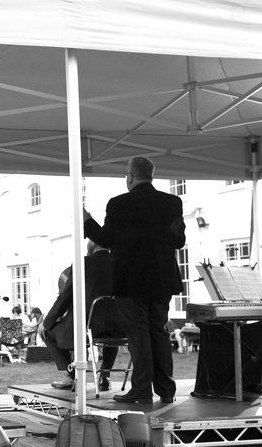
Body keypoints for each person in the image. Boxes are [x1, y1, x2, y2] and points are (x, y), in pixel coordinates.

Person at [84, 155, 186, 404]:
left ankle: (141, 389)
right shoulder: (172, 202)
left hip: (130, 281)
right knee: (158, 332)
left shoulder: (119, 204)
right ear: (151, 175)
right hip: (161, 281)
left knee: (138, 334)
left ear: (130, 177)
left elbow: (105, 239)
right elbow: (178, 241)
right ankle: (166, 389)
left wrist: (86, 220)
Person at [40, 241, 123, 391]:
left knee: (47, 333)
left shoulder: (83, 263)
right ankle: (105, 376)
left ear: (93, 243)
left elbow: (65, 297)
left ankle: (72, 376)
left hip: (88, 328)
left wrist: (46, 322)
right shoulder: (121, 262)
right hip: (120, 328)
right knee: (110, 334)